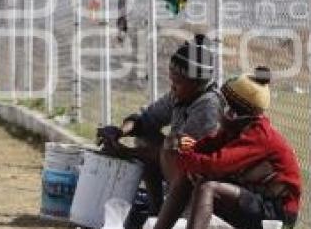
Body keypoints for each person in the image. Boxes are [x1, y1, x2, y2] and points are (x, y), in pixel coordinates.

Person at [108, 67, 302, 229]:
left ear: (237, 112)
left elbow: (214, 164)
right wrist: (183, 149)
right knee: (189, 177)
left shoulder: (258, 136)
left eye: (226, 105)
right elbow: (205, 148)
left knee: (207, 186)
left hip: (274, 213)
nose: (221, 110)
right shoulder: (235, 128)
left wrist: (180, 155)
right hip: (255, 200)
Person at [96, 34, 224, 215]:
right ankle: (156, 211)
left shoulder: (208, 106)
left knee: (169, 146)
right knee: (145, 136)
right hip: (179, 167)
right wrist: (119, 132)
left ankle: (175, 213)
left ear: (197, 83)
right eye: (172, 81)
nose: (172, 87)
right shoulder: (182, 94)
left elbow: (178, 154)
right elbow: (145, 120)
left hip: (200, 179)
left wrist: (125, 152)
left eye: (177, 83)